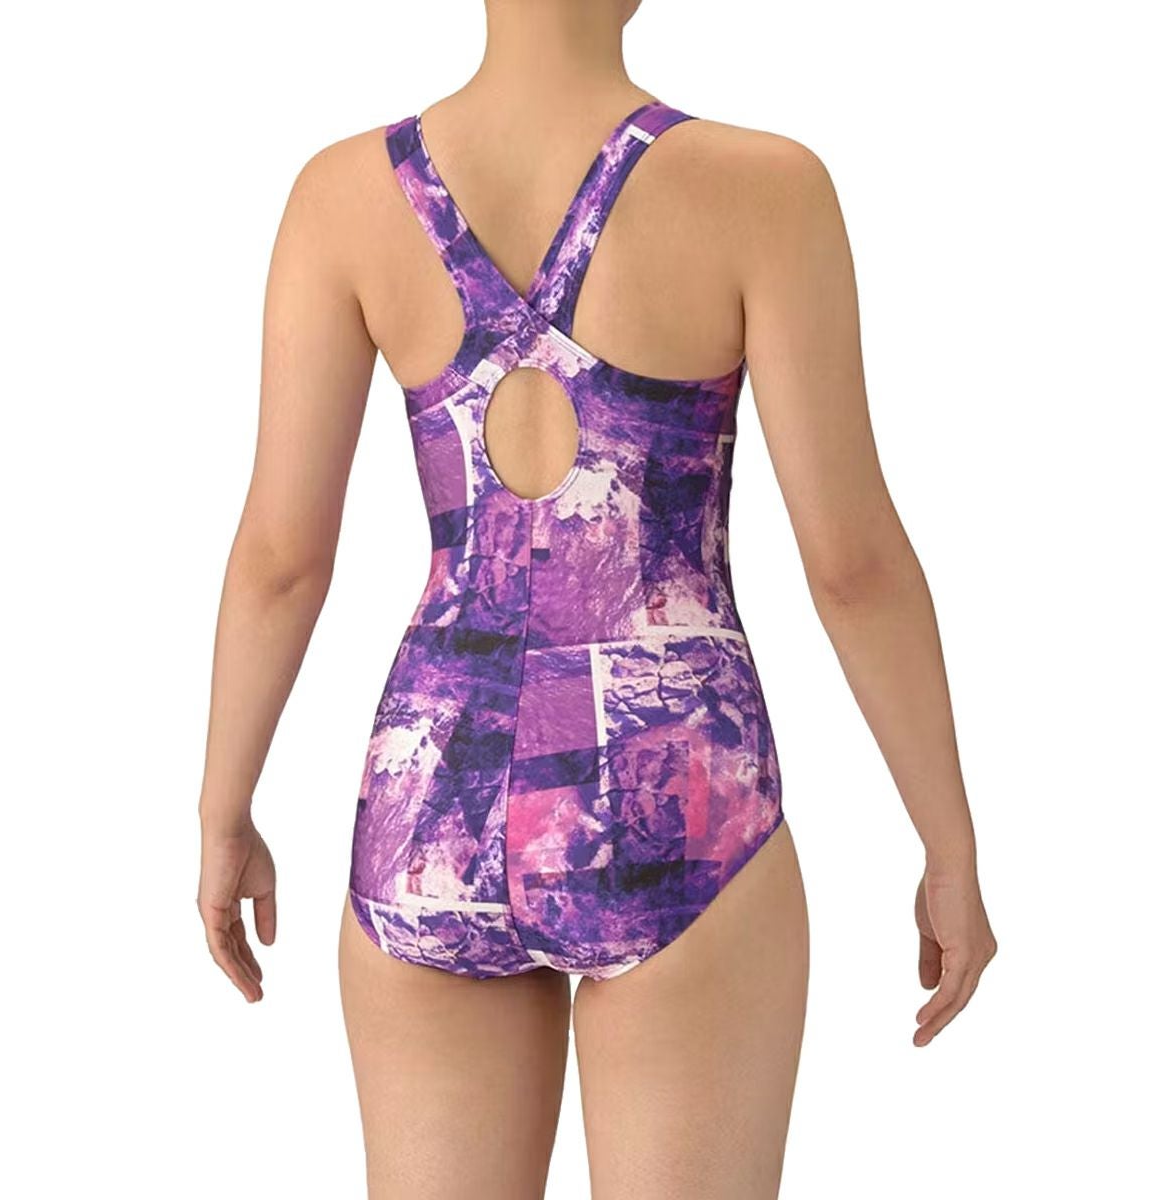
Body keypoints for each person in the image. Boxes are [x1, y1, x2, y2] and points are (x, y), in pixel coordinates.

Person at [195, 1, 997, 1195]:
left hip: (435, 795)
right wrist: (949, 843)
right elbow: (853, 565)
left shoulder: (343, 197)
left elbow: (280, 557)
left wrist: (223, 813)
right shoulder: (763, 190)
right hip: (672, 786)